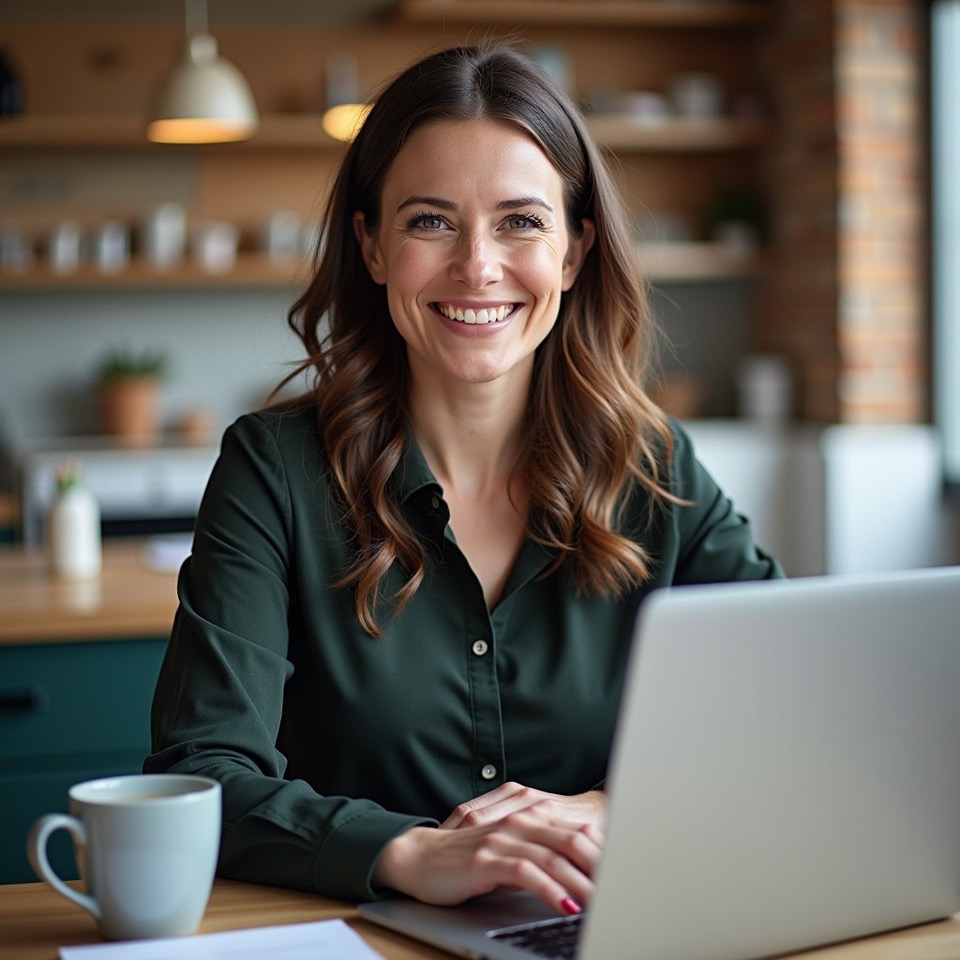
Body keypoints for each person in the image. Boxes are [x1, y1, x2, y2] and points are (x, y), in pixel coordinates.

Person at [144, 42, 783, 917]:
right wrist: (410, 851)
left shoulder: (657, 467)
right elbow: (197, 777)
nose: (477, 266)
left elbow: (784, 719)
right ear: (371, 245)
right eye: (430, 222)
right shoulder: (273, 471)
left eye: (521, 221)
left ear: (573, 251)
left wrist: (613, 810)